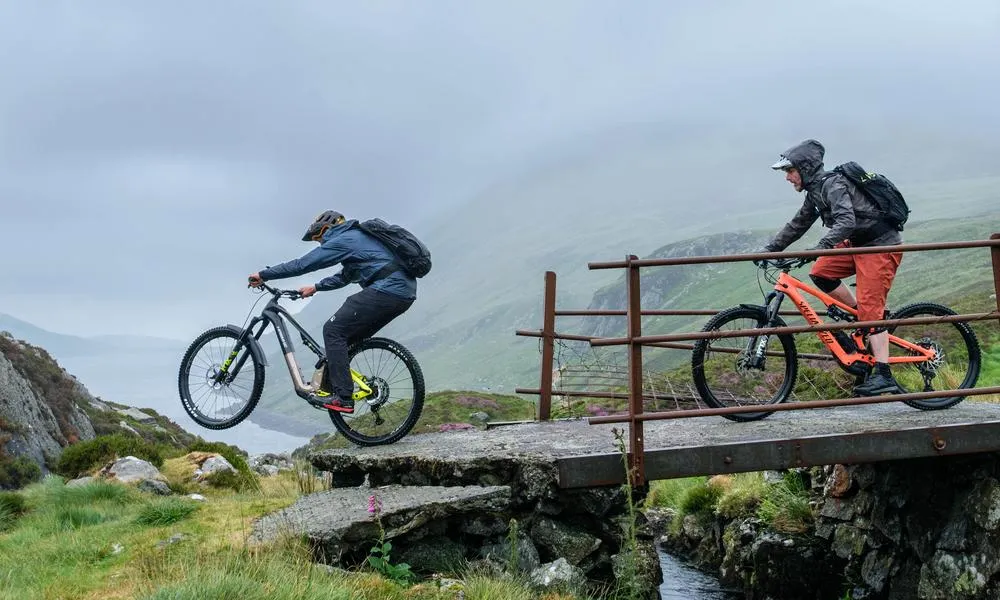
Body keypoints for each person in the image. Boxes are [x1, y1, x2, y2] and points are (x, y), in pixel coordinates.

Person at [760, 139, 904, 396]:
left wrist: (820, 246)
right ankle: (864, 317)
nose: (788, 178)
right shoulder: (815, 191)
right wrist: (770, 249)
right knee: (821, 272)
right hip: (858, 243)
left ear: (804, 168)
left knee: (872, 309)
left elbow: (846, 221)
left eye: (790, 171)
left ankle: (884, 375)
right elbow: (798, 224)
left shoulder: (833, 184)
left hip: (879, 245)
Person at [247, 210, 417, 413]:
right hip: (403, 294)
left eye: (318, 239)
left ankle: (343, 398)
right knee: (342, 341)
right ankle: (334, 389)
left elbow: (303, 264)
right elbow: (346, 276)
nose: (320, 244)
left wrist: (264, 274)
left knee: (332, 330)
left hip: (387, 290)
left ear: (327, 228)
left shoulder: (344, 238)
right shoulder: (358, 238)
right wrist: (316, 287)